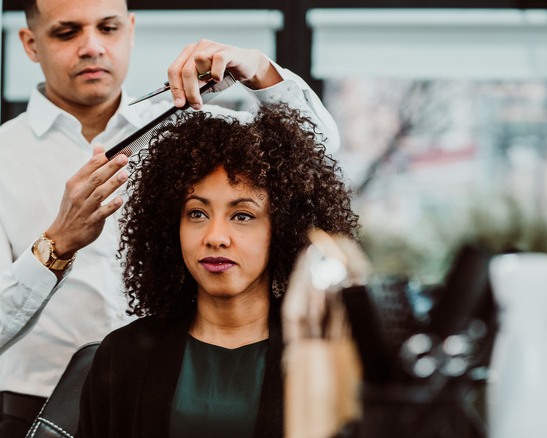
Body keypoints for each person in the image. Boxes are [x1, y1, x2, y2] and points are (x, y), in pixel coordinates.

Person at [0, 0, 340, 434]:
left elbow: (314, 156)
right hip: (43, 414)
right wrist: (56, 245)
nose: (92, 47)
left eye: (108, 28)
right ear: (30, 43)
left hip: (174, 388)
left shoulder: (186, 125)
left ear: (130, 30)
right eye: (67, 32)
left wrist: (261, 70)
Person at [76, 103, 359, 438]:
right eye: (197, 213)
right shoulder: (122, 356)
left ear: (282, 228)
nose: (215, 237)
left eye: (242, 216)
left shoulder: (326, 360)